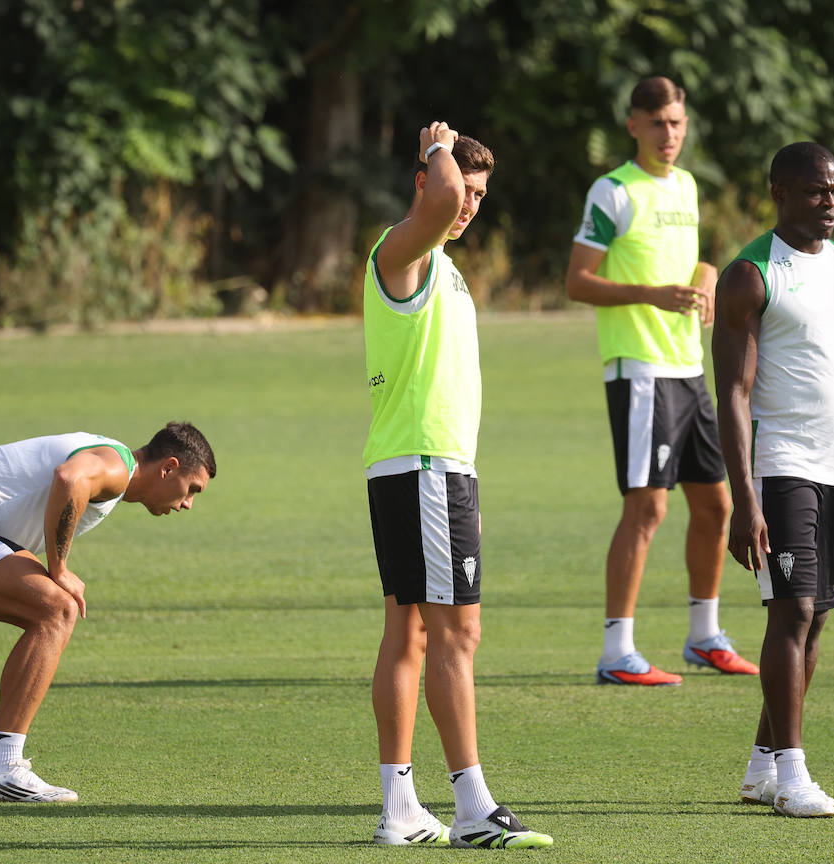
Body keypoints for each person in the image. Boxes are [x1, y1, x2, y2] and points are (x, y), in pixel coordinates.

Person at [363, 121, 551, 849]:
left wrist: (448, 167)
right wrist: (435, 146)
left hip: (415, 466)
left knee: (409, 634)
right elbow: (438, 196)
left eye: (479, 195)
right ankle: (472, 804)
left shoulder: (439, 263)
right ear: (424, 180)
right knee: (456, 632)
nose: (467, 204)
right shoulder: (403, 248)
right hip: (425, 466)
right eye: (460, 189)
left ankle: (400, 808)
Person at [712, 142, 834, 818]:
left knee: (816, 623)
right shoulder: (751, 275)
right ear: (781, 192)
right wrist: (744, 498)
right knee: (791, 613)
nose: (831, 203)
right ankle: (793, 774)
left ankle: (762, 766)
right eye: (818, 191)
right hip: (780, 464)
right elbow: (732, 391)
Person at [0, 423, 216, 803]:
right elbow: (70, 478)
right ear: (169, 467)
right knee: (56, 610)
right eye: (191, 489)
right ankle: (2, 767)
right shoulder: (117, 465)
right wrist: (58, 567)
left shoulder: (105, 455)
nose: (187, 503)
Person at [566, 76, 755, 687]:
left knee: (716, 503)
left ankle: (704, 637)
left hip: (687, 367)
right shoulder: (613, 190)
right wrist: (652, 295)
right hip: (640, 370)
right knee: (647, 507)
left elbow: (696, 260)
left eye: (676, 123)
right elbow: (577, 281)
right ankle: (616, 652)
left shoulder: (688, 185)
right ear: (633, 126)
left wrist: (704, 274)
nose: (669, 134)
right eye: (657, 124)